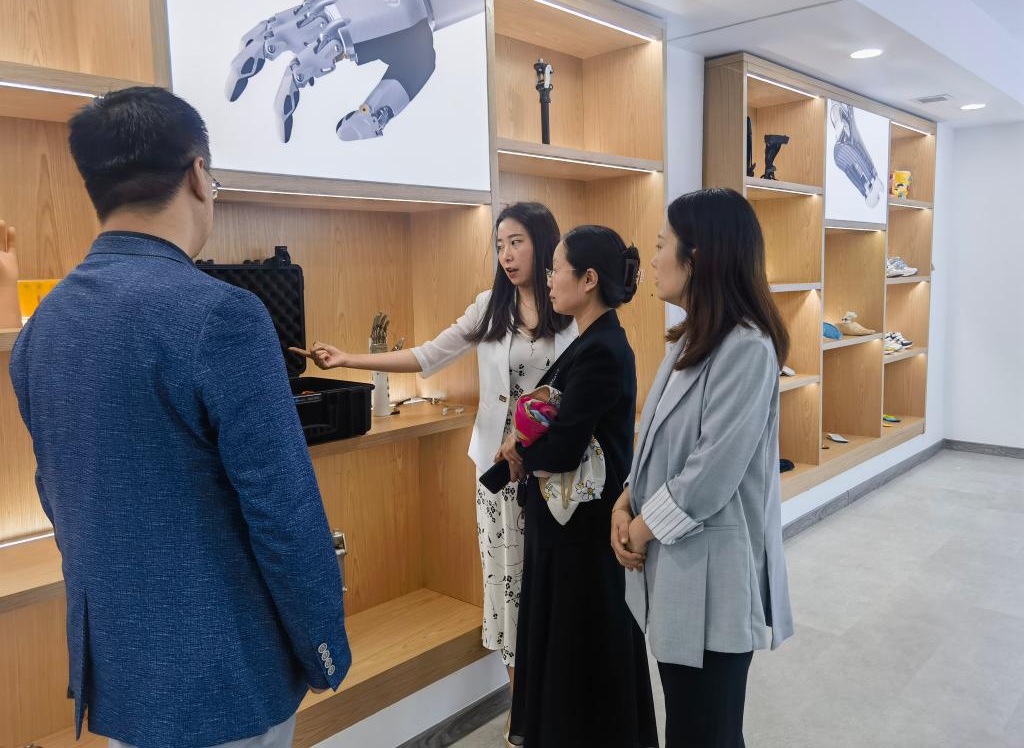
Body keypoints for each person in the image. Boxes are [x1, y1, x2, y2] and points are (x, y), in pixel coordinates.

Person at [8, 87, 350, 748]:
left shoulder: (41, 328)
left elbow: (58, 496)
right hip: (227, 677)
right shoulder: (222, 314)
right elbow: (284, 512)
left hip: (122, 675)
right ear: (198, 175)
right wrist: (324, 649)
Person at [293, 202, 575, 699]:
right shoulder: (490, 305)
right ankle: (521, 715)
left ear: (544, 243)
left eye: (517, 242)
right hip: (498, 476)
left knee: (551, 590)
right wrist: (348, 359)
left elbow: (579, 392)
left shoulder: (570, 307)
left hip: (552, 476)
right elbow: (428, 354)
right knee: (506, 590)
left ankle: (557, 707)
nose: (507, 255)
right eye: (500, 245)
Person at [611, 188, 795, 748]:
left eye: (661, 244)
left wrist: (639, 528)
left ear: (698, 257)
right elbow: (657, 440)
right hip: (680, 566)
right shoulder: (692, 337)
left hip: (714, 577)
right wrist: (625, 498)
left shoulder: (746, 347)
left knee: (705, 732)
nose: (653, 258)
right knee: (693, 726)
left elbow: (709, 474)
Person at [496, 225, 658, 748]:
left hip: (582, 533)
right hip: (571, 527)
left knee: (581, 651)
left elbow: (566, 445)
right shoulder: (592, 342)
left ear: (588, 279)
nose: (548, 280)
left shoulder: (602, 349)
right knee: (574, 648)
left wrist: (521, 454)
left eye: (556, 269)